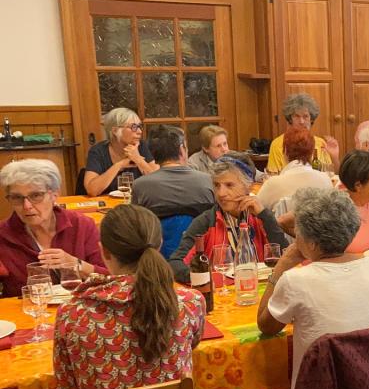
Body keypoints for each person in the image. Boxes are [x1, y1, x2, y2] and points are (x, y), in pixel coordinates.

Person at [53, 203, 205, 389]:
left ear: (104, 252)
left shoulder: (71, 313)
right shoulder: (189, 302)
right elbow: (190, 348)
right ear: (159, 245)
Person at [257, 188, 369, 389]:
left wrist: (281, 266)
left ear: (311, 242)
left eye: (297, 232)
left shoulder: (295, 280)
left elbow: (266, 326)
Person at [169, 153, 289, 284]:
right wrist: (206, 279)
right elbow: (176, 263)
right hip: (220, 292)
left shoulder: (262, 218)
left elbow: (286, 258)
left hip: (260, 289)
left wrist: (265, 216)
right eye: (217, 185)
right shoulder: (206, 222)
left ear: (248, 186)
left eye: (229, 185)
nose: (221, 193)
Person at [0, 159, 106, 295]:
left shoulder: (82, 225)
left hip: (79, 306)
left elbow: (111, 278)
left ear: (54, 195)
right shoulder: (3, 234)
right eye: (17, 197)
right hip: (26, 307)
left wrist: (76, 264)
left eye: (36, 195)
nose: (27, 206)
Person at [130, 125, 214, 219]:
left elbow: (136, 222)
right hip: (198, 229)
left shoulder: (140, 186)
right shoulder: (209, 181)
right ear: (182, 150)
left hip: (157, 229)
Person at [256, 126, 333, 212]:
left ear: (285, 151)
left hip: (280, 221)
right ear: (312, 153)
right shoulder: (325, 180)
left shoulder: (273, 184)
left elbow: (256, 209)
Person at [83, 108, 157, 196]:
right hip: (108, 203)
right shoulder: (98, 151)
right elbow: (92, 190)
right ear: (115, 131)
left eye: (139, 126)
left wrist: (138, 159)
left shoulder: (142, 146)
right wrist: (119, 165)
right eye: (133, 127)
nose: (139, 131)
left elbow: (158, 183)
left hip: (138, 201)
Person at [265, 93, 340, 174]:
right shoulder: (277, 144)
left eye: (305, 116)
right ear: (290, 119)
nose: (301, 121)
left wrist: (334, 157)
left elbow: (333, 175)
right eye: (296, 116)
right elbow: (272, 175)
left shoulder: (321, 143)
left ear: (311, 119)